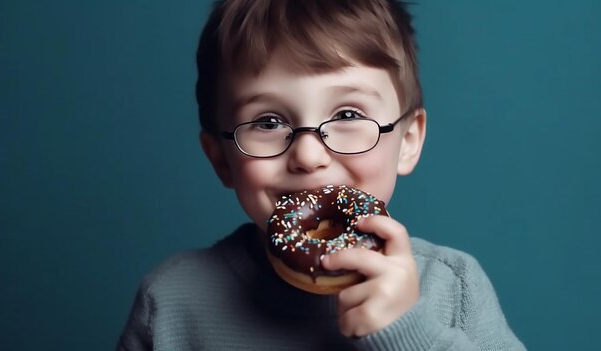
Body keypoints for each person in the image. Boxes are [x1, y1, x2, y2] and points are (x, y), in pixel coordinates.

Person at [117, 0, 526, 350]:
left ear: (408, 140)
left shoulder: (453, 289)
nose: (309, 155)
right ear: (222, 159)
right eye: (268, 121)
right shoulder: (170, 304)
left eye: (348, 115)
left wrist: (409, 332)